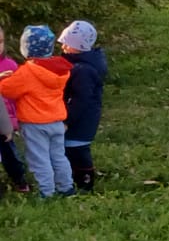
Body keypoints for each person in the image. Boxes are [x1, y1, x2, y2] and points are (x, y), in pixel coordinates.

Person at [0, 26, 74, 199]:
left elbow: (7, 91)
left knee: (40, 159)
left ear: (26, 48)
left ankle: (46, 192)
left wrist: (3, 79)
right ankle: (66, 188)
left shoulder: (27, 72)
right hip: (57, 121)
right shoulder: (60, 69)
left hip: (34, 124)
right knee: (59, 156)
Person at [58, 21, 105, 193]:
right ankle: (73, 179)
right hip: (77, 117)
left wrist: (68, 120)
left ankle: (85, 182)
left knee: (77, 150)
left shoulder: (83, 70)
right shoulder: (77, 64)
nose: (63, 47)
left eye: (67, 44)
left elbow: (81, 99)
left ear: (79, 47)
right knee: (70, 150)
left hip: (81, 120)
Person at [0, 26, 34, 193]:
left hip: (6, 120)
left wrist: (13, 121)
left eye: (0, 41)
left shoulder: (10, 65)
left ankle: (19, 180)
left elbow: (17, 96)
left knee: (10, 156)